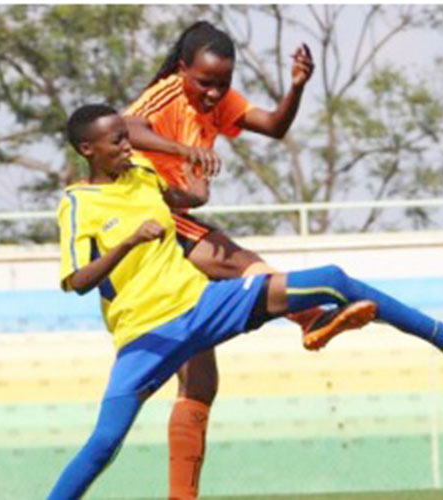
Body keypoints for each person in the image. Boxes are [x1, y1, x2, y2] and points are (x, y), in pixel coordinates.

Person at [48, 104, 443, 499]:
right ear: (88, 150)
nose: (128, 146)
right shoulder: (78, 204)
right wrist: (127, 243)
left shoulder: (143, 174)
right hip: (148, 335)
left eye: (127, 137)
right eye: (116, 141)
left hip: (204, 303)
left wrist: (194, 186)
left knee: (332, 278)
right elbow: (76, 281)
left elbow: (174, 202)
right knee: (105, 443)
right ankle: (319, 323)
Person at [123, 22, 355, 497]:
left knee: (201, 381)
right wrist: (181, 150)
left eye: (221, 84)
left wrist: (296, 87)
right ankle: (307, 314)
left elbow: (273, 126)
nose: (212, 93)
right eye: (204, 82)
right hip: (154, 218)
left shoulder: (219, 100)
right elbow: (126, 126)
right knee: (235, 258)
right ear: (182, 68)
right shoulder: (167, 93)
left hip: (177, 218)